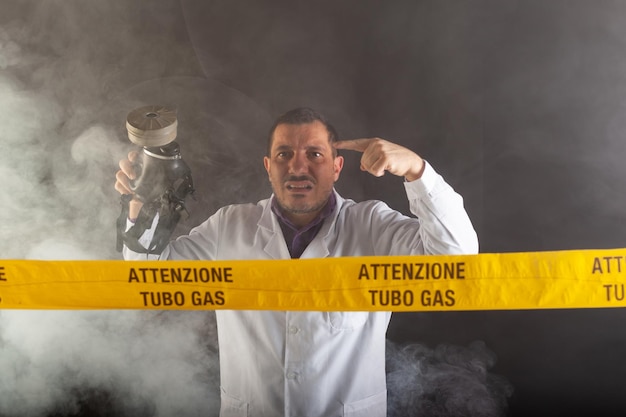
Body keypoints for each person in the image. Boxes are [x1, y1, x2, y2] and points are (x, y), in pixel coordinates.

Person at [115, 107, 478, 417]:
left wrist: (417, 171)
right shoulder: (230, 225)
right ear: (268, 166)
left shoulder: (371, 225)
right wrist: (144, 201)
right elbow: (149, 279)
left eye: (315, 154)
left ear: (337, 167)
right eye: (284, 154)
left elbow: (457, 260)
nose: (298, 167)